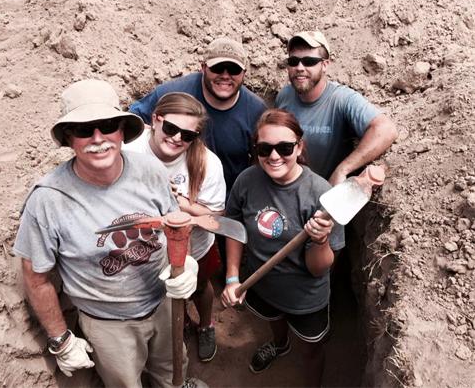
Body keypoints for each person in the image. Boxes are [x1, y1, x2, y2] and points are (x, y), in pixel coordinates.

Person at [13, 79, 204, 388]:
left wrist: (186, 264)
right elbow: (36, 277)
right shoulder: (48, 200)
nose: (98, 139)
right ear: (69, 139)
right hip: (109, 324)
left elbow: (174, 226)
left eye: (107, 125)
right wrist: (61, 339)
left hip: (164, 303)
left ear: (121, 131)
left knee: (173, 371)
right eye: (84, 130)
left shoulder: (150, 170)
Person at [221, 109, 345, 385]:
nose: (274, 156)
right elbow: (233, 226)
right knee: (272, 318)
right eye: (265, 148)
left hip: (305, 298)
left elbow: (319, 268)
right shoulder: (247, 180)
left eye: (284, 147)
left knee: (313, 348)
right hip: (261, 283)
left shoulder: (320, 194)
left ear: (299, 147)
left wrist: (320, 240)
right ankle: (280, 344)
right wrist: (232, 277)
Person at [124, 92, 226, 362]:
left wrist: (179, 203)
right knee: (161, 294)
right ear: (156, 120)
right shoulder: (129, 149)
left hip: (195, 246)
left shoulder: (207, 163)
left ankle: (205, 324)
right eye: (170, 128)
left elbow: (216, 216)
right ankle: (175, 328)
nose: (177, 138)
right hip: (145, 246)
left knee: (200, 286)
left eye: (188, 135)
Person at [129, 37, 266, 196]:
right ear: (203, 68)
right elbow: (132, 122)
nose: (225, 75)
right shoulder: (172, 93)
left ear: (244, 74)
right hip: (166, 192)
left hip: (223, 201)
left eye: (233, 70)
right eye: (218, 68)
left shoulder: (256, 111)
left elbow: (262, 159)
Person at [276, 30, 398, 185]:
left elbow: (386, 129)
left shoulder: (341, 99)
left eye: (309, 61)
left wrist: (343, 169)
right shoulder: (284, 96)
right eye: (293, 61)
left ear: (325, 64)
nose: (300, 67)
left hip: (325, 197)